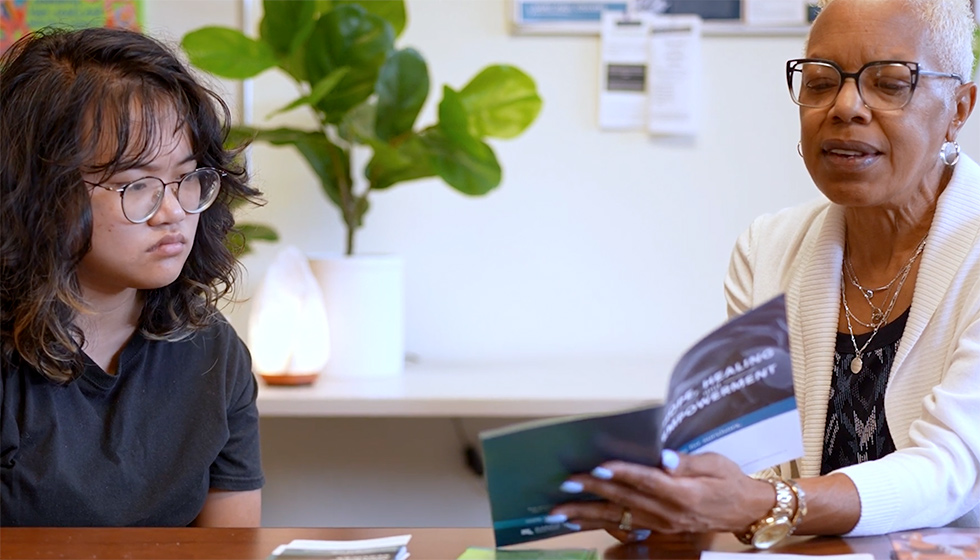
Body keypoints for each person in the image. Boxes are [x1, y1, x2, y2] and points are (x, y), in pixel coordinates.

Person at [547, 0, 979, 547]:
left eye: (890, 83)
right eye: (821, 82)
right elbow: (752, 466)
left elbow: (953, 466)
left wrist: (769, 504)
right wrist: (673, 500)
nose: (846, 106)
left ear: (959, 108)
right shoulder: (767, 248)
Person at [1, 26, 265, 526]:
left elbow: (230, 547)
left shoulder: (214, 355)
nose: (173, 211)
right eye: (136, 184)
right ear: (39, 194)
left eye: (187, 177)